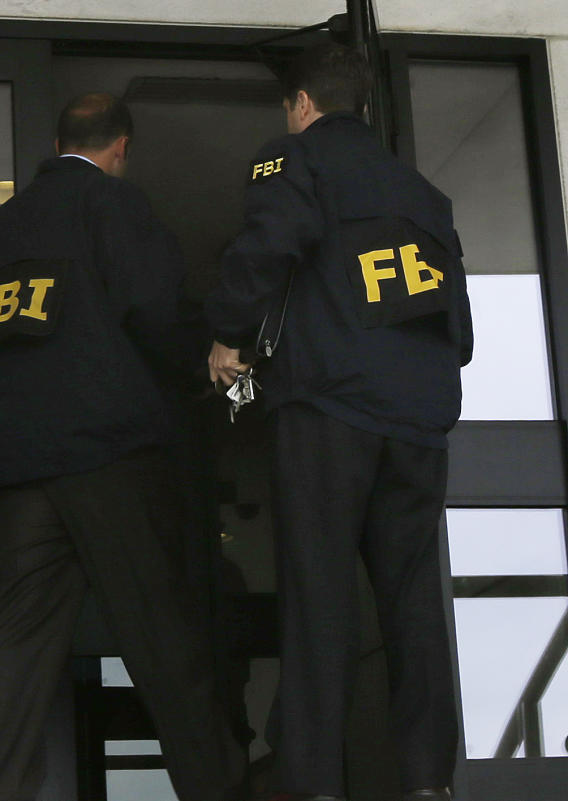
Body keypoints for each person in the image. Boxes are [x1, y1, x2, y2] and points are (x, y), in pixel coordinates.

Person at [205, 43, 472, 801]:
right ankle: (428, 782)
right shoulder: (424, 192)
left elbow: (270, 243)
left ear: (301, 104)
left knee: (318, 598)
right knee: (414, 607)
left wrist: (228, 330)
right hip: (419, 420)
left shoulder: (293, 159)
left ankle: (315, 783)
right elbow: (463, 328)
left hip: (331, 411)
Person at [0, 92, 244, 801]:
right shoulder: (114, 206)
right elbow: (154, 310)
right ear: (120, 148)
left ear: (59, 141)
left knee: (17, 653)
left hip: (25, 470)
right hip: (109, 457)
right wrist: (200, 364)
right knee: (165, 644)